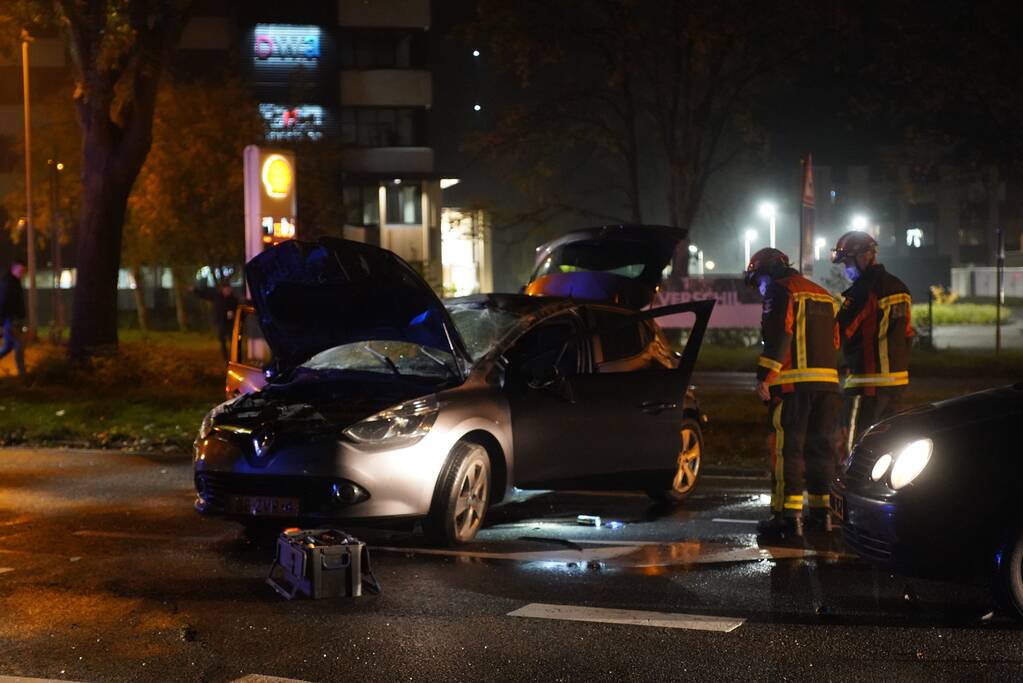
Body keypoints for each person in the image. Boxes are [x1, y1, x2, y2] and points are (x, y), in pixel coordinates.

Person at [746, 248, 841, 539]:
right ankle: (823, 517)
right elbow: (836, 341)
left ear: (768, 271)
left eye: (758, 282)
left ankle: (787, 519)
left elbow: (779, 335)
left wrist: (764, 378)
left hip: (792, 388)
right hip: (827, 386)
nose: (760, 289)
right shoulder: (823, 294)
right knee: (821, 451)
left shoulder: (781, 290)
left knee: (788, 452)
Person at [831, 231, 912, 453]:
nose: (846, 268)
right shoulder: (900, 287)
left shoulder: (864, 290)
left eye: (847, 262)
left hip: (865, 385)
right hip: (896, 383)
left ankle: (850, 478)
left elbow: (840, 331)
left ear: (865, 256)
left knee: (855, 447)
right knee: (888, 448)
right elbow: (907, 333)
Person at [193, 281, 239, 361]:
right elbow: (205, 295)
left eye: (228, 289)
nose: (227, 291)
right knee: (222, 340)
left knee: (232, 340)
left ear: (230, 290)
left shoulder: (234, 299)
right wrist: (195, 290)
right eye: (226, 289)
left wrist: (233, 313)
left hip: (230, 323)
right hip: (221, 322)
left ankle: (234, 357)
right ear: (223, 289)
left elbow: (237, 309)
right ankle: (225, 357)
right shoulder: (217, 297)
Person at [0, 260, 27, 378]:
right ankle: (22, 374)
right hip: (11, 320)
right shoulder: (8, 283)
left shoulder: (14, 282)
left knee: (8, 347)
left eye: (23, 271)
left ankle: (22, 373)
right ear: (13, 269)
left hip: (12, 319)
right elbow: (3, 302)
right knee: (19, 346)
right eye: (20, 270)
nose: (22, 273)